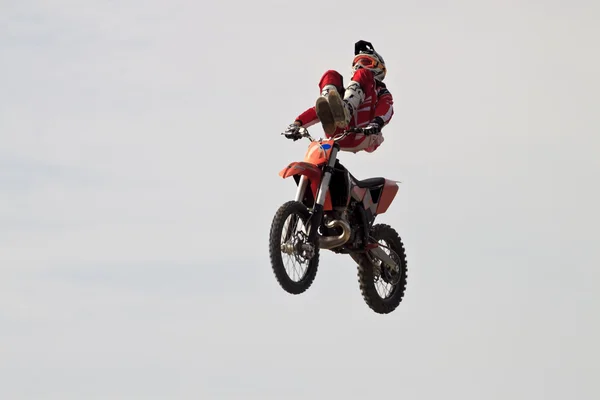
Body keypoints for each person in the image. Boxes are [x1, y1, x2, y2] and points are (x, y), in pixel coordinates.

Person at [283, 40, 394, 153]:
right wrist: (297, 124)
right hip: (338, 135)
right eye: (356, 64)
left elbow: (387, 107)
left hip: (364, 133)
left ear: (379, 68)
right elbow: (317, 109)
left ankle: (347, 110)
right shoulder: (345, 94)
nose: (359, 66)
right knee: (331, 75)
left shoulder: (379, 91)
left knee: (363, 75)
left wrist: (377, 122)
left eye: (365, 62)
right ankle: (333, 112)